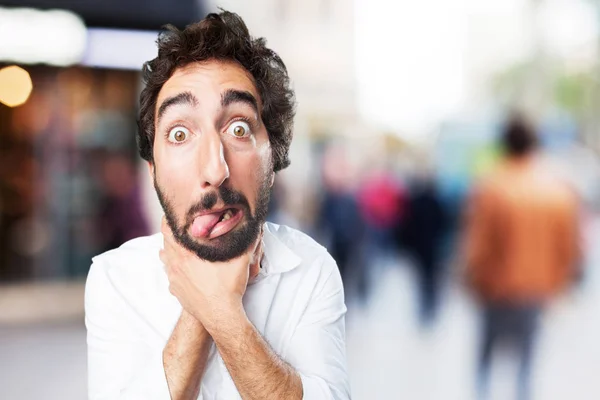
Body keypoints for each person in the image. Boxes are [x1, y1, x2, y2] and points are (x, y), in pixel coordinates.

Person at [85, 11, 350, 400]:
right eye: (179, 133)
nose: (215, 169)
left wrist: (219, 310)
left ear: (273, 161)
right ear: (153, 169)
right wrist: (202, 300)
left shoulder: (311, 270)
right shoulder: (115, 279)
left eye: (239, 128)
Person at [463, 114, 581, 400]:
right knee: (527, 363)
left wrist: (470, 279)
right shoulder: (557, 190)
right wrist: (559, 285)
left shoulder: (490, 187)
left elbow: (478, 244)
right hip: (536, 291)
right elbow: (568, 248)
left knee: (486, 358)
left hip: (496, 289)